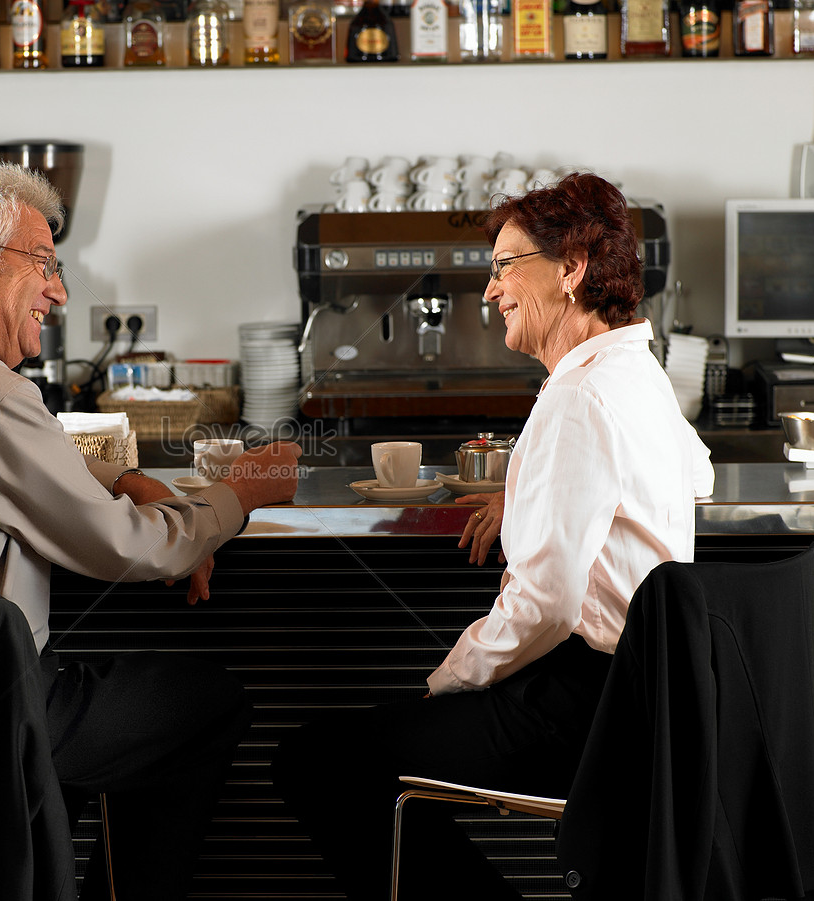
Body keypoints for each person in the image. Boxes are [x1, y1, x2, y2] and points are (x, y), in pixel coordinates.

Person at [0, 160, 301, 901]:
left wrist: (114, 475)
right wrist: (241, 493)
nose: (60, 290)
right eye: (43, 263)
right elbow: (134, 549)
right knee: (207, 701)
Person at [271, 172, 715, 899]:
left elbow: (547, 601)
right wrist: (534, 490)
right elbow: (697, 473)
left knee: (316, 761)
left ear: (569, 270)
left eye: (506, 266)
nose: (488, 289)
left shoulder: (579, 395)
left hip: (585, 705)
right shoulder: (635, 369)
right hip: (648, 700)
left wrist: (447, 680)